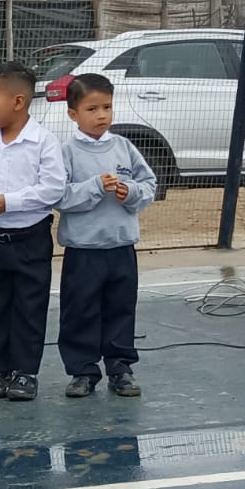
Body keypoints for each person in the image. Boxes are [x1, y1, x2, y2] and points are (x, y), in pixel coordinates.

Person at [0, 61, 68, 403]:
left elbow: (53, 188)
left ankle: (26, 372)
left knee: (29, 306)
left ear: (18, 101)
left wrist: (9, 202)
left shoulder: (43, 142)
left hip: (30, 240)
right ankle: (0, 369)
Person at [55, 74, 157, 398]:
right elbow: (60, 196)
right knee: (79, 311)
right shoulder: (66, 152)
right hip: (83, 251)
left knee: (121, 309)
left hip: (121, 247)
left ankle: (120, 368)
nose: (101, 115)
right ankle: (82, 371)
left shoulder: (125, 147)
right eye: (92, 109)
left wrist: (130, 192)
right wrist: (95, 187)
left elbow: (149, 185)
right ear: (73, 114)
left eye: (107, 107)